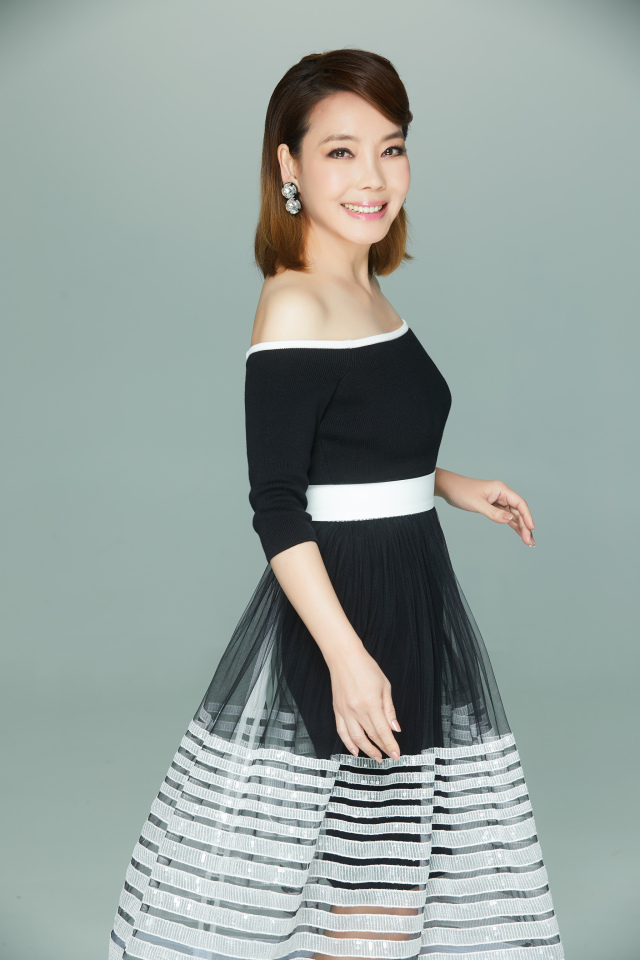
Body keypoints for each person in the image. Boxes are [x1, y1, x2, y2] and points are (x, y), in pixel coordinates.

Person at [109, 48, 564, 960]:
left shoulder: (362, 285)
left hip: (409, 590)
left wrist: (451, 486)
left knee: (381, 882)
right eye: (341, 152)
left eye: (391, 149)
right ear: (289, 165)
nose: (374, 178)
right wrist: (348, 658)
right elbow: (278, 503)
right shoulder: (295, 305)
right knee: (372, 893)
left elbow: (357, 444)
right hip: (348, 611)